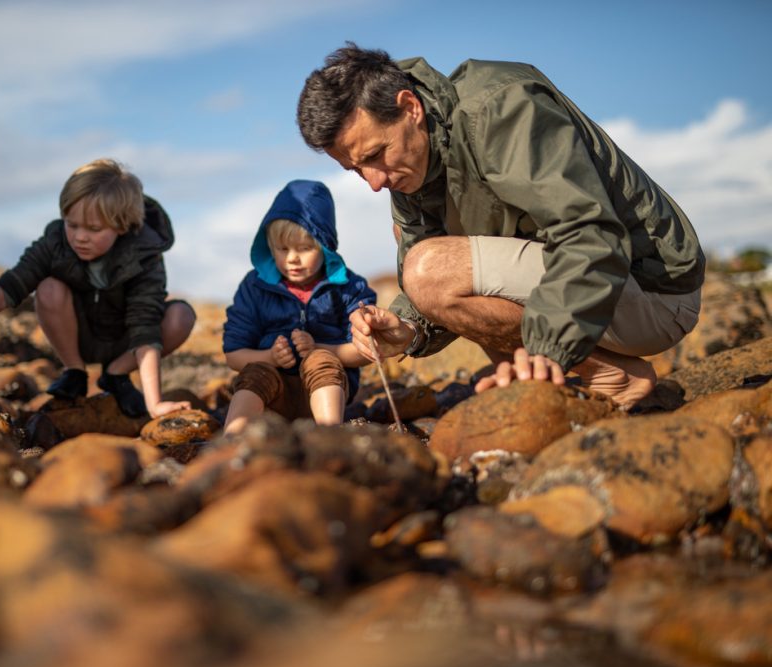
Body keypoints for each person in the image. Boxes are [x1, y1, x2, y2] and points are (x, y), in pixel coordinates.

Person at [296, 44, 705, 408]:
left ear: (410, 108)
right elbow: (433, 283)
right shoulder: (410, 161)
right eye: (355, 169)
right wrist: (405, 329)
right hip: (598, 299)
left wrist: (547, 350)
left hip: (653, 289)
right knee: (422, 259)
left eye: (375, 155)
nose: (373, 182)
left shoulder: (500, 109)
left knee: (429, 266)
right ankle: (570, 383)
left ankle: (601, 375)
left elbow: (590, 234)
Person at [0, 158, 195, 419]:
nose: (80, 237)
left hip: (125, 342)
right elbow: (10, 286)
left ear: (122, 225)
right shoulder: (56, 241)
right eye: (72, 224)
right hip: (78, 337)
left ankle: (116, 374)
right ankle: (74, 371)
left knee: (181, 316)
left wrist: (155, 404)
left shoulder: (145, 255)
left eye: (93, 229)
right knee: (49, 287)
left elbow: (146, 328)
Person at [222, 179, 376, 434]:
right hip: (273, 399)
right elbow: (233, 355)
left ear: (325, 247)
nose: (292, 258)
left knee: (321, 359)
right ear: (270, 247)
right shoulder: (254, 286)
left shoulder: (348, 286)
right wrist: (270, 357)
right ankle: (232, 438)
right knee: (256, 371)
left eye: (304, 248)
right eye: (282, 249)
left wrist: (320, 347)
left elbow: (367, 350)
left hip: (324, 395)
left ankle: (329, 434)